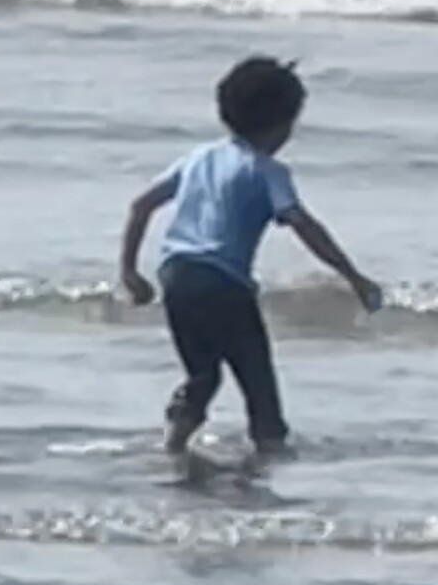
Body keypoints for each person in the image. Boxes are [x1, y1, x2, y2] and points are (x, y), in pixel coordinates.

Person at [119, 56, 382, 458]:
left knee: (203, 373)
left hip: (177, 275)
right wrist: (354, 276)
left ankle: (174, 443)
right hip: (224, 283)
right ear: (283, 124)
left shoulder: (199, 157)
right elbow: (302, 224)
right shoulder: (268, 170)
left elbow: (141, 206)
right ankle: (269, 443)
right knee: (256, 375)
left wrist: (130, 272)